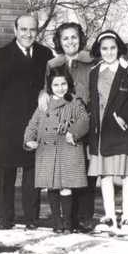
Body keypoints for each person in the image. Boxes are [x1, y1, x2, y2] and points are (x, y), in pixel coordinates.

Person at [0, 14, 52, 229]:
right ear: (15, 31)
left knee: (32, 172)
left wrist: (46, 93)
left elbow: (54, 82)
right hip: (7, 124)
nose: (28, 34)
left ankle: (31, 218)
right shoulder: (1, 55)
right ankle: (6, 218)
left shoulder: (45, 54)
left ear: (37, 31)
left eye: (32, 30)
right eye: (23, 29)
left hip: (35, 123)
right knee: (6, 172)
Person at [87, 29, 128, 233]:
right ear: (99, 50)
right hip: (101, 133)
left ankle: (126, 217)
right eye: (104, 48)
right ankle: (108, 216)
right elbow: (92, 103)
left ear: (119, 49)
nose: (109, 52)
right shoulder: (94, 72)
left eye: (112, 48)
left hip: (122, 130)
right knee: (105, 175)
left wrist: (125, 117)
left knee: (125, 175)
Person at [40, 22, 95, 231]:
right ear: (59, 42)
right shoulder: (53, 65)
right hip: (60, 123)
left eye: (74, 37)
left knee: (85, 171)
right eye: (65, 38)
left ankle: (85, 216)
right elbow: (46, 90)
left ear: (80, 39)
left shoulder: (91, 62)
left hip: (85, 119)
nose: (70, 41)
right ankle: (67, 218)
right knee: (65, 171)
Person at [24, 66, 89, 232]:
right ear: (49, 87)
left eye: (63, 84)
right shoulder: (43, 105)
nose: (60, 88)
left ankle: (67, 222)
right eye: (56, 85)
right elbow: (33, 124)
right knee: (51, 187)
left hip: (67, 150)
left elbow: (84, 120)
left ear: (69, 84)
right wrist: (29, 140)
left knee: (66, 187)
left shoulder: (74, 102)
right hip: (47, 151)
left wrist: (73, 133)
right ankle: (56, 222)